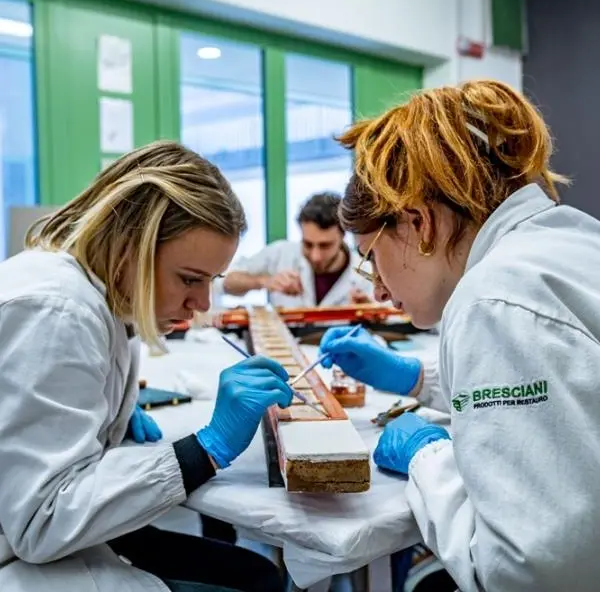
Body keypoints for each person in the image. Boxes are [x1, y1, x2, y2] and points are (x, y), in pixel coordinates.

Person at [319, 79, 600, 592]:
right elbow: (570, 396)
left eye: (370, 259)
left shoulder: (493, 299)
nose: (377, 289)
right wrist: (416, 378)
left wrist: (428, 456)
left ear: (418, 222)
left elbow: (527, 573)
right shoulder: (569, 241)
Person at [0, 141, 291, 592]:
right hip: (23, 554)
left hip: (37, 536)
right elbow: (43, 520)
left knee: (254, 574)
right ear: (128, 246)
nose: (201, 303)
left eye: (211, 281)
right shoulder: (58, 311)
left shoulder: (97, 300)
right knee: (253, 584)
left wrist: (102, 413)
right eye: (190, 278)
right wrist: (204, 450)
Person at [219, 191, 372, 308]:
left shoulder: (365, 273)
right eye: (308, 244)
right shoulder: (280, 253)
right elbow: (225, 282)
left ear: (343, 235)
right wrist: (264, 281)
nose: (315, 256)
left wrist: (371, 311)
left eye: (325, 245)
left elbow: (390, 323)